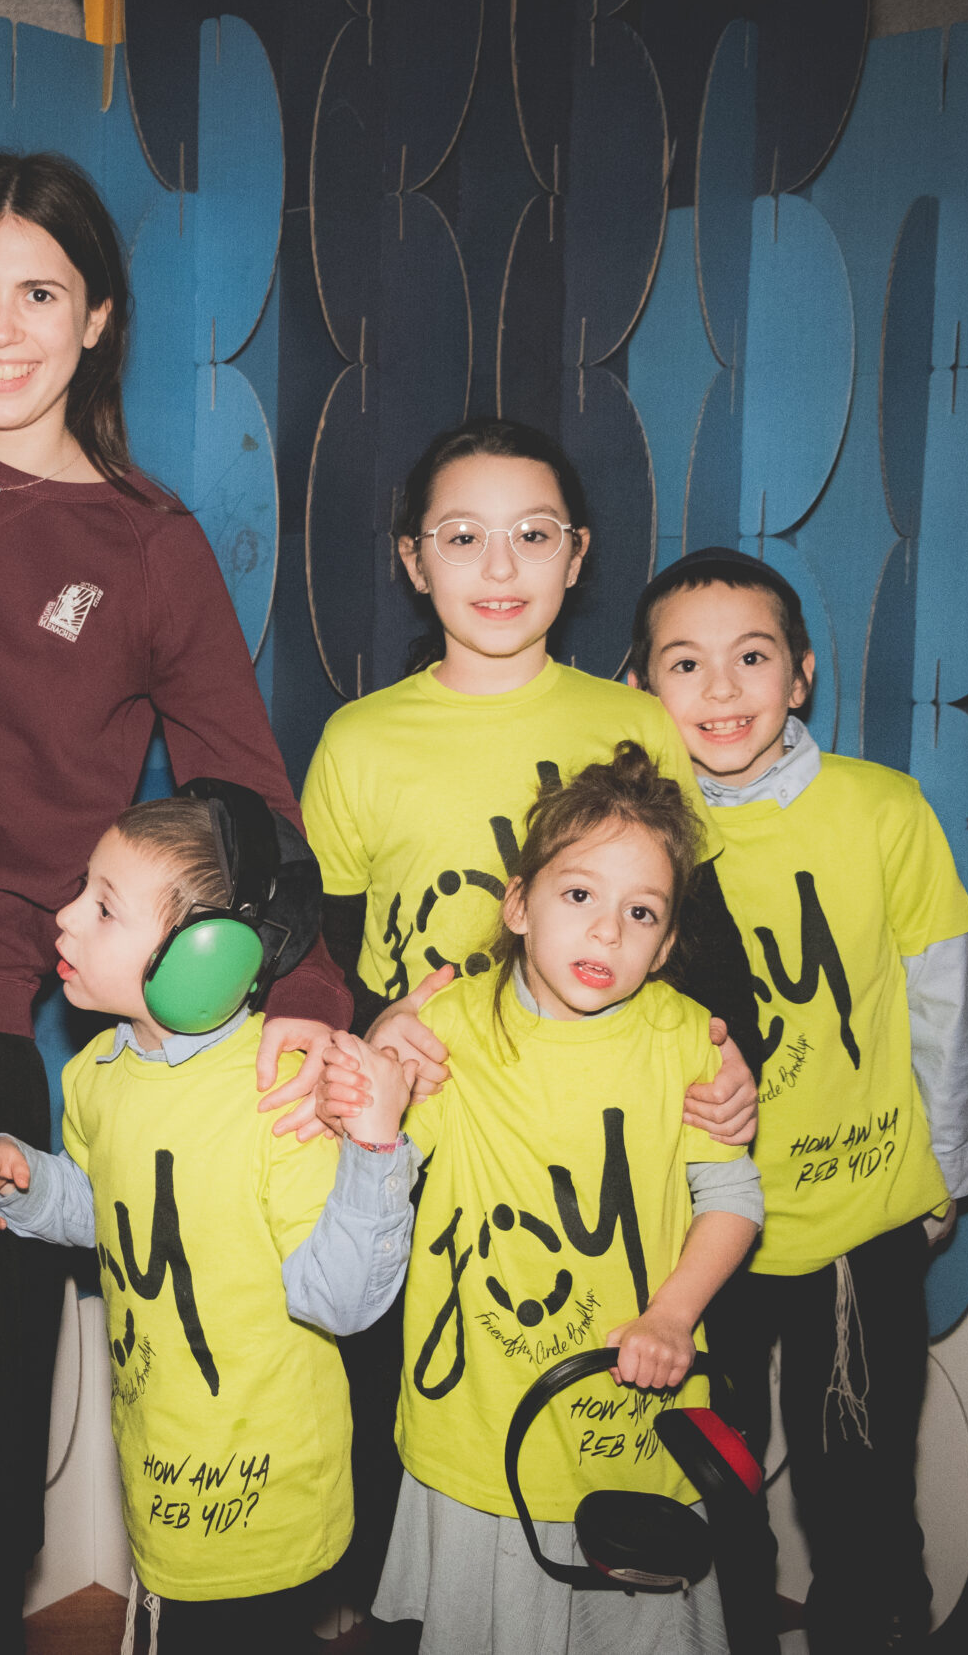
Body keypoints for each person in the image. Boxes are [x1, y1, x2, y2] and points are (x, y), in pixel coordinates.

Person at [0, 150, 354, 1653]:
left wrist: (309, 1009)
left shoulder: (147, 546)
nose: (2, 329)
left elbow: (251, 805)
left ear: (99, 317)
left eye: (41, 293)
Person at [270, 417, 764, 1605]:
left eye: (532, 536)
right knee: (419, 1391)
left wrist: (736, 1056)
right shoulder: (359, 740)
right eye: (462, 537)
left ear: (577, 555)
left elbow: (695, 932)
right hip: (432, 1118)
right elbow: (324, 948)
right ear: (412, 559)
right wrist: (367, 1040)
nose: (499, 568)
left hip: (599, 1126)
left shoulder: (635, 725)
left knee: (622, 1418)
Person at [315, 744, 763, 1655]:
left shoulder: (687, 1039)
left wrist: (673, 1315)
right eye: (580, 893)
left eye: (641, 911)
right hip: (479, 1416)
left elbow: (734, 1196)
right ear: (518, 904)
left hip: (629, 1415)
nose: (608, 931)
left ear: (667, 943)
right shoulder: (449, 1028)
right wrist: (365, 1089)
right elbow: (380, 1166)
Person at [628, 549, 968, 1653]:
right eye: (684, 664)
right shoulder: (637, 843)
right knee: (708, 1486)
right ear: (639, 689)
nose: (721, 688)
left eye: (752, 657)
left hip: (859, 1223)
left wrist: (942, 1177)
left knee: (862, 1495)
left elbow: (951, 1003)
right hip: (697, 1235)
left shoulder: (882, 810)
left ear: (801, 674)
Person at [0, 789, 417, 1653]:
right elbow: (111, 1211)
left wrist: (373, 1147)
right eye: (81, 890)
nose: (64, 916)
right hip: (162, 1471)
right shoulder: (97, 1073)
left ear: (209, 953)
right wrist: (30, 1179)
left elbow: (343, 1299)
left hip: (269, 1495)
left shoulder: (277, 1089)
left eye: (104, 906)